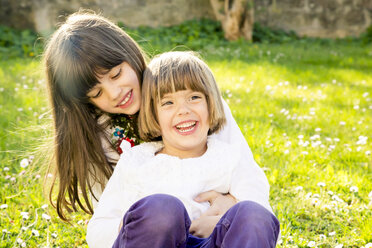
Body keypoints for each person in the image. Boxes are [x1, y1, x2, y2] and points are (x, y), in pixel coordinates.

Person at [43, 11, 273, 237]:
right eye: (97, 92)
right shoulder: (98, 140)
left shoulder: (198, 103)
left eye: (116, 74)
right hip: (153, 234)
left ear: (129, 54)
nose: (114, 93)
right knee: (161, 210)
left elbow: (246, 176)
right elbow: (109, 223)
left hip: (213, 233)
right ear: (85, 101)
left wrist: (232, 203)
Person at [86, 51, 279, 248]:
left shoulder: (230, 158)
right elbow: (98, 229)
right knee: (162, 209)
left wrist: (220, 221)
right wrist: (133, 226)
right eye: (168, 102)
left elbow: (262, 216)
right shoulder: (136, 160)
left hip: (213, 242)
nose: (183, 110)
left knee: (253, 214)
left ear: (211, 104)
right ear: (153, 114)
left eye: (194, 97)